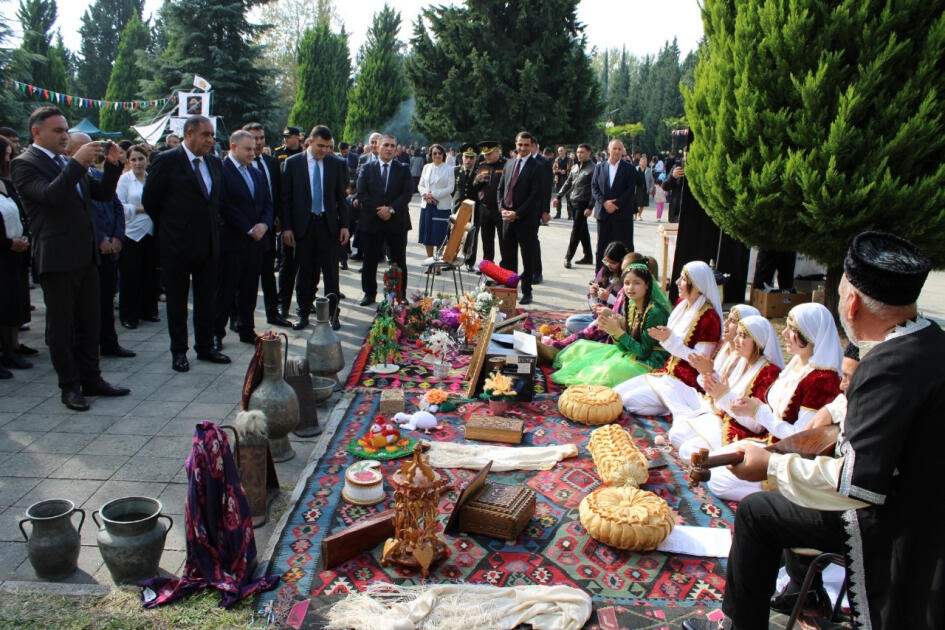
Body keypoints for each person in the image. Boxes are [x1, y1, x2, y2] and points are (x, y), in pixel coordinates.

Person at [686, 232, 943, 630]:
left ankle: (740, 624)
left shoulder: (886, 365)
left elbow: (856, 486)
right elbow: (890, 405)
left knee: (757, 511)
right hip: (922, 509)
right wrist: (833, 408)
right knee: (797, 477)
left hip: (893, 524)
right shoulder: (930, 341)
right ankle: (800, 591)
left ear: (851, 302)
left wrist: (770, 466)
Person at [10, 106, 130, 410]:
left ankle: (92, 378)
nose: (64, 136)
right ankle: (69, 385)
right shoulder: (25, 163)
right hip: (57, 257)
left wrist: (113, 166)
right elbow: (51, 196)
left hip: (86, 256)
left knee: (90, 322)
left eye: (66, 130)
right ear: (36, 132)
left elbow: (101, 194)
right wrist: (76, 163)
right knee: (62, 328)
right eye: (58, 131)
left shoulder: (66, 162)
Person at [703, 302, 842, 502]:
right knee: (713, 464)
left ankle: (788, 497)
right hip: (770, 442)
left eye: (792, 329)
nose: (784, 333)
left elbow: (803, 440)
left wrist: (758, 412)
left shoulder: (822, 379)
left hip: (789, 459)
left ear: (810, 333)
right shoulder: (797, 364)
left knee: (718, 480)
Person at [142, 114, 229, 373]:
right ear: (189, 134)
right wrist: (173, 226)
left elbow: (214, 201)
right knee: (178, 301)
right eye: (205, 135)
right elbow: (151, 200)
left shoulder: (214, 162)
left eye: (212, 135)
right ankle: (179, 351)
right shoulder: (167, 160)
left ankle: (205, 346)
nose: (210, 140)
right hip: (177, 245)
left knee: (206, 299)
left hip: (208, 244)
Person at [612, 260, 723, 415]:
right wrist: (666, 339)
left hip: (686, 382)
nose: (677, 282)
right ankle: (668, 403)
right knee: (616, 394)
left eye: (683, 279)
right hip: (667, 371)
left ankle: (674, 404)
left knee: (629, 401)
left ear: (697, 285)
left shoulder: (709, 318)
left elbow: (700, 361)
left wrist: (669, 341)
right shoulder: (682, 304)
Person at [668, 314, 783, 461]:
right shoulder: (742, 361)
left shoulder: (769, 373)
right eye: (738, 334)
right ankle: (713, 460)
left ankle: (720, 464)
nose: (736, 340)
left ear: (758, 341)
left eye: (743, 336)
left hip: (740, 431)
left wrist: (722, 395)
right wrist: (709, 375)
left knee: (687, 450)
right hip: (721, 418)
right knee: (676, 434)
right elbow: (722, 395)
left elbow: (756, 426)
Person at [550, 263, 671, 387]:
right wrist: (613, 332)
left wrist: (618, 331)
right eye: (627, 283)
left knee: (606, 372)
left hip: (652, 363)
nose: (630, 288)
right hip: (633, 354)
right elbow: (624, 348)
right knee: (581, 348)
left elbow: (643, 352)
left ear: (647, 285)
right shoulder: (631, 305)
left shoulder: (654, 313)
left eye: (637, 283)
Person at [68, 133, 134, 359]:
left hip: (110, 248)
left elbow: (116, 206)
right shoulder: (68, 179)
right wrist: (100, 239)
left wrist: (117, 236)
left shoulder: (97, 176)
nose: (92, 151)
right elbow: (79, 215)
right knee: (85, 305)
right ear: (71, 151)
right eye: (85, 147)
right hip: (88, 249)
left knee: (106, 299)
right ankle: (85, 347)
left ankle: (109, 342)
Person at [281, 125, 349, 331]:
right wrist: (287, 227)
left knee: (331, 273)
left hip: (328, 225)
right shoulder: (293, 163)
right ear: (309, 142)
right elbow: (286, 199)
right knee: (304, 272)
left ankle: (333, 314)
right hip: (304, 226)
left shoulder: (336, 164)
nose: (324, 150)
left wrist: (344, 225)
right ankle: (303, 313)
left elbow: (341, 198)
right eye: (320, 146)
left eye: (328, 147)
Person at [213, 130, 273, 346]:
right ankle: (216, 333)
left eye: (254, 149)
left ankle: (246, 328)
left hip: (255, 243)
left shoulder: (256, 173)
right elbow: (224, 204)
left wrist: (264, 224)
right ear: (233, 147)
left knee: (249, 289)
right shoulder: (221, 170)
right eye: (248, 149)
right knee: (225, 290)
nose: (252, 153)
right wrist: (248, 228)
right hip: (232, 240)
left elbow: (267, 202)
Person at [242, 122, 291, 328]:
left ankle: (273, 313)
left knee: (268, 272)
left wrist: (278, 217)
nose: (259, 142)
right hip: (245, 230)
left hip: (269, 226)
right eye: (254, 138)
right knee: (245, 276)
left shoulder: (271, 162)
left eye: (261, 138)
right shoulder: (239, 164)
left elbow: (277, 193)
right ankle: (240, 318)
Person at [356, 133, 412, 305]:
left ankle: (399, 294)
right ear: (378, 147)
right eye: (386, 145)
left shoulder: (403, 169)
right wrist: (379, 210)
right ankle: (369, 293)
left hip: (397, 222)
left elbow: (407, 194)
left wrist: (391, 209)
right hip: (372, 221)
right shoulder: (366, 168)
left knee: (399, 261)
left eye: (392, 146)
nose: (389, 149)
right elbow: (362, 194)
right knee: (370, 260)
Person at [116, 144, 160, 331]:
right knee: (130, 276)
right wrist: (142, 209)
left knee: (149, 274)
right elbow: (119, 205)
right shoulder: (125, 180)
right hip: (131, 233)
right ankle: (129, 315)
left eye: (141, 159)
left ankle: (148, 310)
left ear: (147, 159)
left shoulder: (151, 178)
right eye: (133, 159)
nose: (137, 163)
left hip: (150, 231)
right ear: (128, 161)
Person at [497, 132, 542, 305]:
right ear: (515, 144)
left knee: (527, 256)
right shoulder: (509, 163)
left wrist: (517, 213)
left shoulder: (537, 167)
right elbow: (501, 189)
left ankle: (527, 290)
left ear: (531, 146)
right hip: (507, 219)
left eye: (526, 145)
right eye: (520, 144)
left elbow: (535, 196)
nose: (523, 148)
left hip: (525, 220)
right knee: (508, 256)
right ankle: (510, 290)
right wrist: (502, 209)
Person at [0, 136, 32, 379]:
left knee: (12, 303)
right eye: (7, 155)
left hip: (14, 255)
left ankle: (11, 348)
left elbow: (21, 213)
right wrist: (8, 243)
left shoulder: (6, 184)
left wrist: (23, 238)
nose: (9, 160)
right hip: (4, 251)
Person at [591, 139, 635, 269]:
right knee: (602, 247)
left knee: (624, 246)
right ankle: (600, 275)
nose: (617, 151)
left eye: (620, 149)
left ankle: (623, 274)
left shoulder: (629, 168)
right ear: (608, 150)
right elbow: (594, 187)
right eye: (614, 148)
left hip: (622, 215)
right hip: (604, 214)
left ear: (623, 151)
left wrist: (616, 204)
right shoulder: (599, 167)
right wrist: (604, 203)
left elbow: (630, 189)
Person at [554, 143, 595, 268]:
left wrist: (590, 206)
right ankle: (588, 256)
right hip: (573, 201)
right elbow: (567, 183)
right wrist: (558, 197)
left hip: (584, 203)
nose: (579, 154)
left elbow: (595, 189)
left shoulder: (593, 168)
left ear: (589, 153)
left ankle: (568, 257)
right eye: (578, 152)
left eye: (582, 152)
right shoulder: (575, 167)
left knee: (576, 230)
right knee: (583, 230)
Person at [472, 140, 505, 270]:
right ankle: (487, 268)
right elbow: (475, 187)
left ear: (497, 152)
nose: (486, 157)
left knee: (504, 241)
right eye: (485, 154)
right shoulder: (482, 166)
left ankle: (504, 268)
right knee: (486, 240)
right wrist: (477, 181)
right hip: (485, 209)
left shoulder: (505, 165)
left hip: (501, 210)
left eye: (489, 154)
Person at [417, 144, 454, 259]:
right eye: (434, 153)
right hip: (427, 205)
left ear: (443, 155)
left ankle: (437, 261)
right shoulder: (426, 167)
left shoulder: (449, 169)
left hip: (442, 207)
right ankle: (430, 260)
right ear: (431, 155)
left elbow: (450, 188)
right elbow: (420, 185)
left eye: (440, 153)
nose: (437, 155)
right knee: (427, 235)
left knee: (440, 236)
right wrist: (425, 194)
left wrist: (433, 195)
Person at [452, 143, 479, 271]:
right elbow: (452, 190)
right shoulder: (455, 171)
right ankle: (452, 259)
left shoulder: (479, 172)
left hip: (474, 209)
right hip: (458, 207)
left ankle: (470, 262)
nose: (468, 160)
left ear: (475, 158)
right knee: (455, 234)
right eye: (466, 157)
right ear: (462, 157)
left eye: (471, 157)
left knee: (472, 236)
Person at [553, 145, 572, 219]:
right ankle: (558, 214)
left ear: (565, 151)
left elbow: (573, 169)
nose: (560, 152)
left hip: (567, 180)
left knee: (568, 198)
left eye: (561, 151)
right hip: (558, 180)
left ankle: (570, 215)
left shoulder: (570, 160)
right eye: (559, 151)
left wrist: (566, 171)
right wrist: (558, 171)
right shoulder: (556, 160)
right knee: (558, 197)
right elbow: (553, 169)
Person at [634, 155, 653, 220]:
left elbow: (651, 180)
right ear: (640, 162)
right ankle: (635, 215)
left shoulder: (648, 170)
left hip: (644, 188)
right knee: (635, 203)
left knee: (642, 203)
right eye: (643, 161)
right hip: (636, 188)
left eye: (646, 162)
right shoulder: (635, 169)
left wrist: (651, 188)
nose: (645, 163)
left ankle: (639, 215)